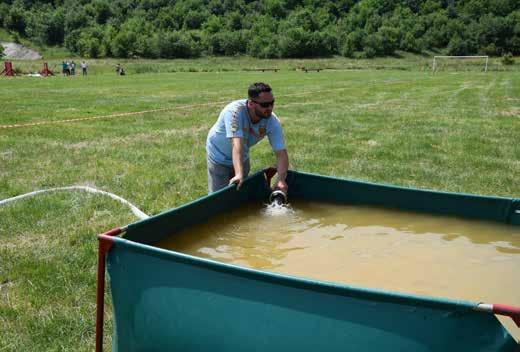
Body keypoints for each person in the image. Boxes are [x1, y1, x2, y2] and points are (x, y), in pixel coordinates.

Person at [206, 82, 289, 194]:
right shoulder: (234, 112)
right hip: (219, 156)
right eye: (264, 105)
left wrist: (281, 180)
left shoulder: (272, 121)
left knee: (240, 192)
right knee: (218, 197)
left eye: (272, 103)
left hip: (242, 155)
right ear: (251, 103)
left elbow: (281, 153)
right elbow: (236, 145)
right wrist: (239, 173)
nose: (269, 108)